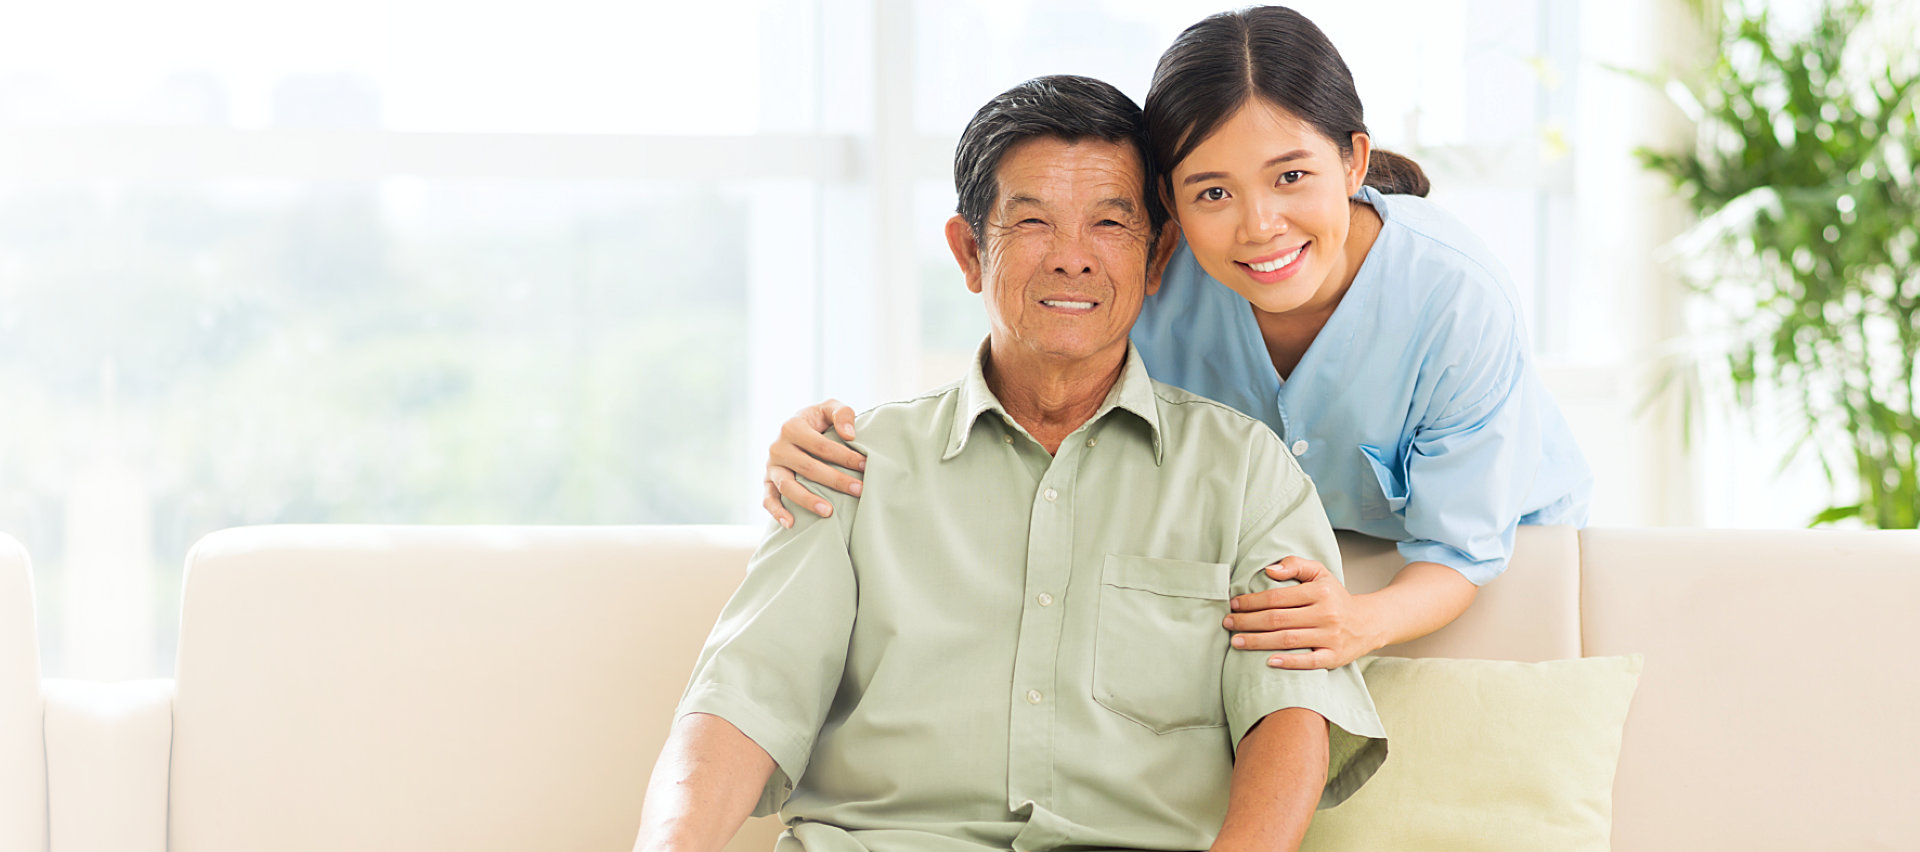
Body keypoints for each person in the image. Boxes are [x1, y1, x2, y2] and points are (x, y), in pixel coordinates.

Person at [634, 75, 1384, 852]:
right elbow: (739, 705)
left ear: (1157, 254)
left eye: (1108, 224)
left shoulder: (1244, 472)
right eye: (1032, 222)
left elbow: (1291, 711)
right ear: (968, 252)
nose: (1072, 259)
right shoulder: (849, 467)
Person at [762, 5, 1592, 672]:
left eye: (1292, 176)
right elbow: (1031, 374)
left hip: (1479, 567)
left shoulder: (1452, 296)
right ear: (1169, 204)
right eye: (1211, 191)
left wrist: (1359, 621)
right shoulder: (1153, 275)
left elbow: (1461, 548)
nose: (1260, 226)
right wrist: (834, 447)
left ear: (1352, 161)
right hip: (1274, 562)